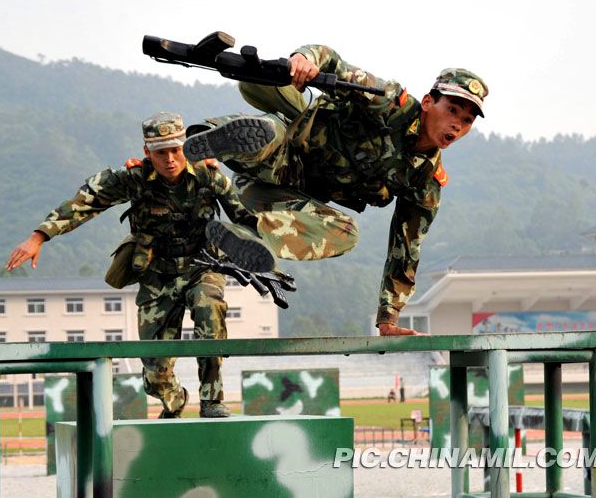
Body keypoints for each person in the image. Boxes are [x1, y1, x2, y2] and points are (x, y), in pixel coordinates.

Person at [183, 45, 488, 337]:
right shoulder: (386, 101)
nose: (456, 124)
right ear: (427, 103)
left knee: (347, 232)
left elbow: (405, 249)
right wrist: (305, 58)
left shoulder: (425, 180)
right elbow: (333, 61)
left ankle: (246, 237)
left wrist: (388, 318)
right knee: (270, 134)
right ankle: (207, 138)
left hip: (284, 201)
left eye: (467, 120)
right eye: (452, 110)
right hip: (286, 157)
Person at [5, 112, 279, 419]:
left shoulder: (208, 176)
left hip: (202, 265)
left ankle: (211, 399)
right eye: (162, 153)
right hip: (157, 273)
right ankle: (174, 401)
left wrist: (274, 251)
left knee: (209, 311)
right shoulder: (133, 179)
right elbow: (85, 201)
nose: (171, 159)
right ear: (147, 152)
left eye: (176, 150)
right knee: (154, 370)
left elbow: (247, 219)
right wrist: (39, 236)